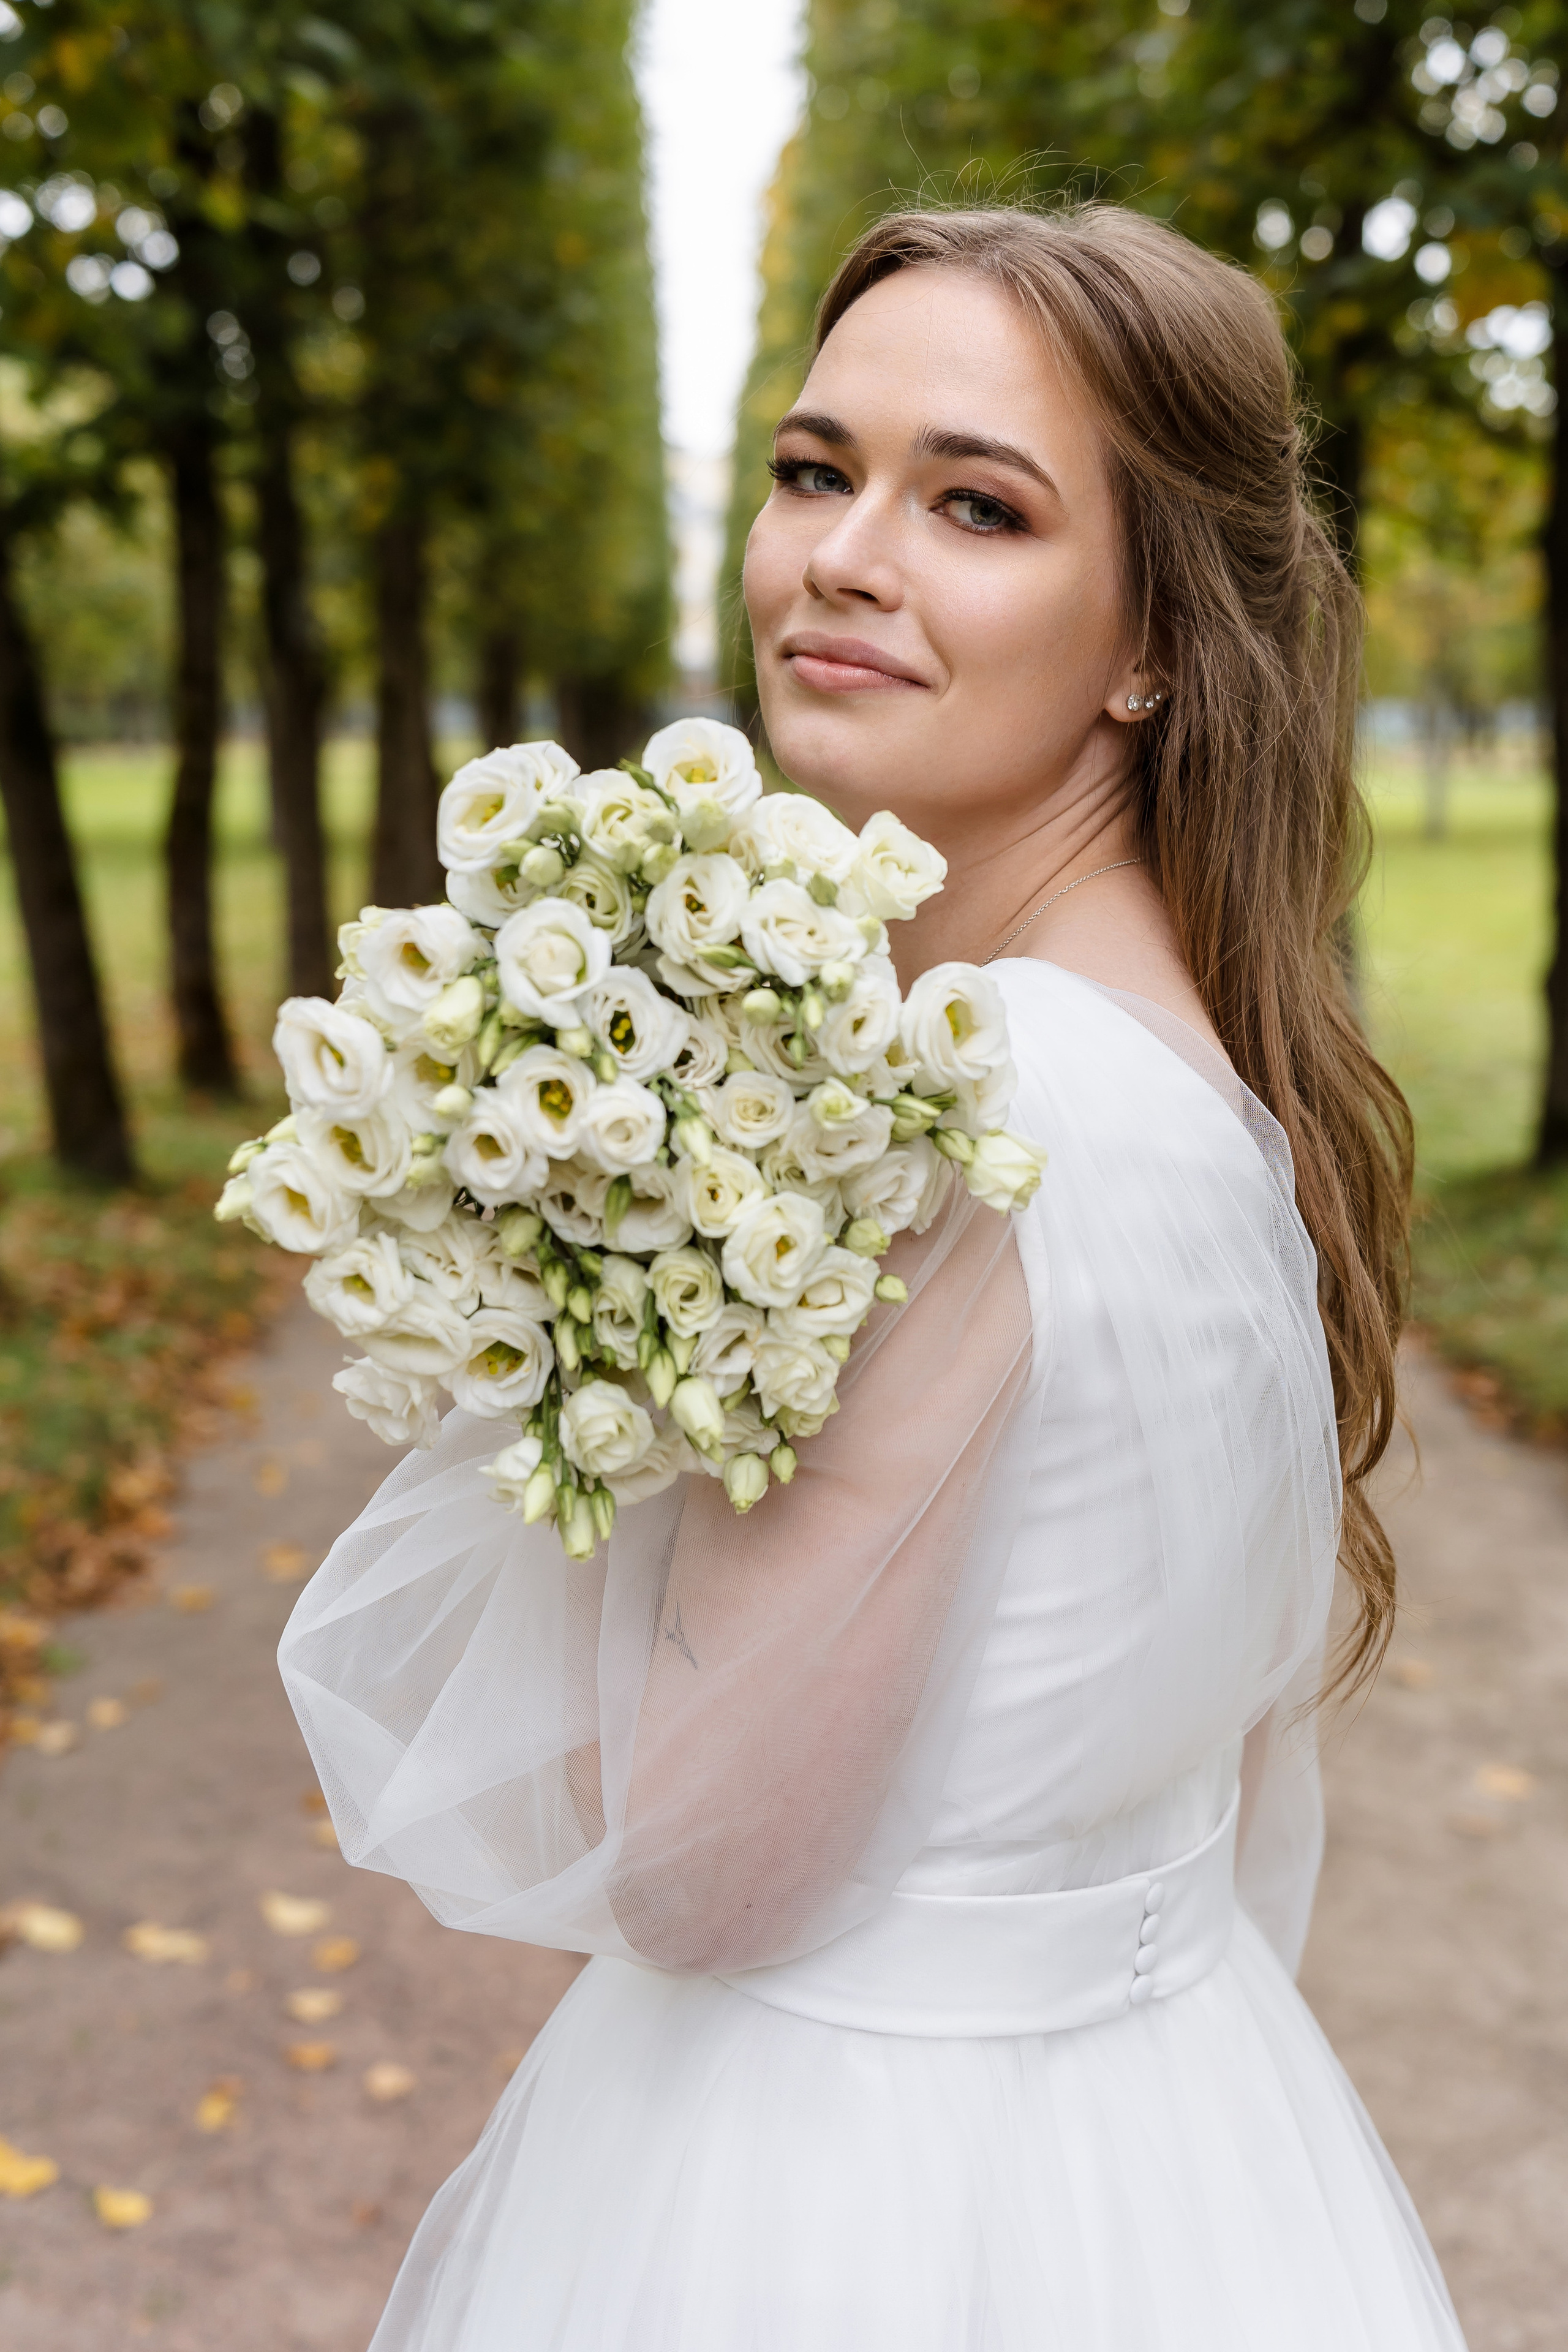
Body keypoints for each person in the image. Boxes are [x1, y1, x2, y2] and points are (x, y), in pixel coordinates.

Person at [280, 203, 1464, 2349]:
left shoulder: (954, 1130)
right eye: (818, 470)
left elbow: (697, 1870)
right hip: (1178, 2150)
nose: (840, 552)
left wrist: (578, 1316)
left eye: (977, 505)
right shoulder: (1220, 1099)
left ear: (1153, 643)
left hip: (842, 2199)